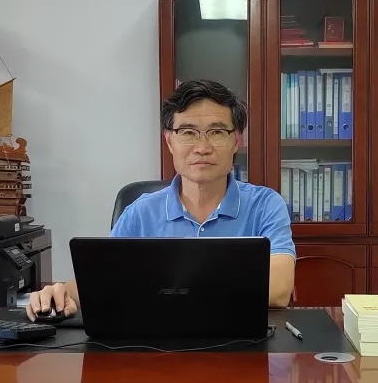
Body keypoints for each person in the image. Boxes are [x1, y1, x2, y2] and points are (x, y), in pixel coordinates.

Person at [27, 79, 296, 319]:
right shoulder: (141, 212)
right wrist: (60, 292)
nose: (202, 147)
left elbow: (278, 289)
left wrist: (169, 288)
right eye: (188, 133)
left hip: (241, 346)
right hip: (156, 346)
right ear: (169, 142)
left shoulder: (265, 205)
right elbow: (104, 280)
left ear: (236, 141)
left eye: (216, 132)